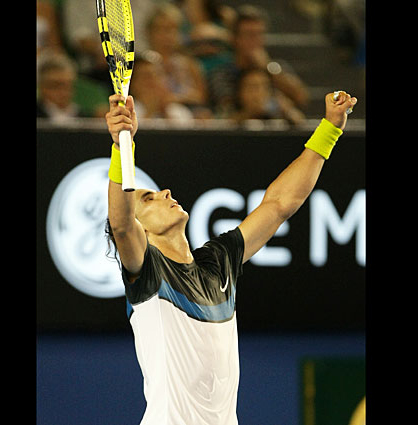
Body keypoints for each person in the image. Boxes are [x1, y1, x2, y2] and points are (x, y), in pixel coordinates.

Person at [104, 87, 357, 424]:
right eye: (148, 199)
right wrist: (122, 144)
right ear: (143, 231)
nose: (165, 192)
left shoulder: (218, 261)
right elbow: (121, 225)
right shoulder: (149, 273)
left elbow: (279, 204)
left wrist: (330, 129)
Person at [128, 53, 195, 125]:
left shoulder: (179, 111)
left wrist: (165, 112)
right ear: (133, 83)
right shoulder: (126, 111)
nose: (153, 81)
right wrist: (150, 111)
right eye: (146, 77)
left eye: (157, 75)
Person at [231, 67, 306, 126]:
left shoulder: (278, 111)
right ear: (240, 91)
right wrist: (248, 113)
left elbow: (300, 124)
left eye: (265, 87)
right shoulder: (231, 108)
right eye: (253, 87)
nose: (259, 92)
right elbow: (228, 123)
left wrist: (288, 111)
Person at [36, 51, 92, 123]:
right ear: (42, 87)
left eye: (67, 86)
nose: (63, 91)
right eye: (56, 85)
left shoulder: (85, 117)